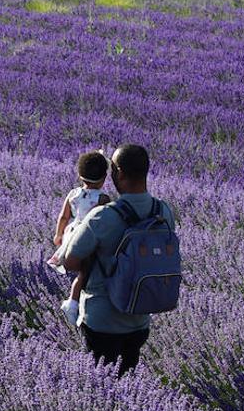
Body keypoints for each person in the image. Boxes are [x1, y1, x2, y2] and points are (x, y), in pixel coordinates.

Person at [60, 144, 175, 376]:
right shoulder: (163, 212)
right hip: (140, 318)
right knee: (127, 381)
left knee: (101, 386)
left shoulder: (103, 216)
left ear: (119, 173)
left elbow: (69, 262)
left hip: (102, 320)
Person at [47, 151, 111, 326]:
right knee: (86, 272)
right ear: (104, 178)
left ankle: (76, 302)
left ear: (79, 175)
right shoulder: (103, 198)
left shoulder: (73, 193)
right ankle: (73, 304)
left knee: (84, 272)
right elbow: (104, 222)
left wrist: (58, 235)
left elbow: (63, 217)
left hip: (71, 234)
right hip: (88, 236)